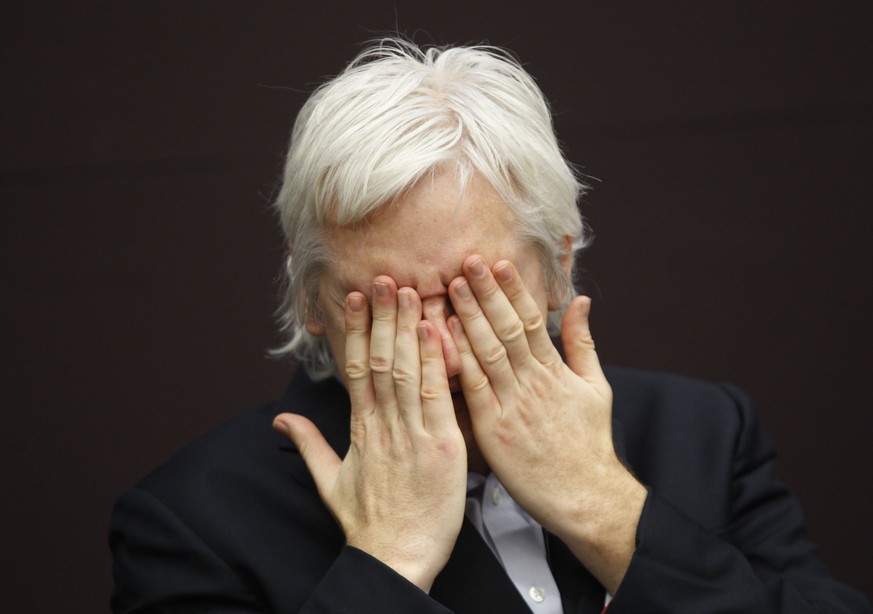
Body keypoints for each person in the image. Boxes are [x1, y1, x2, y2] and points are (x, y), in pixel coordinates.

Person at [109, 38, 871, 613]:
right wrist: (388, 560)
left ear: (555, 267)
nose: (436, 353)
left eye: (469, 294)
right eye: (384, 305)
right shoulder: (189, 521)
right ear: (308, 295)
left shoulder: (702, 432)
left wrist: (605, 511)